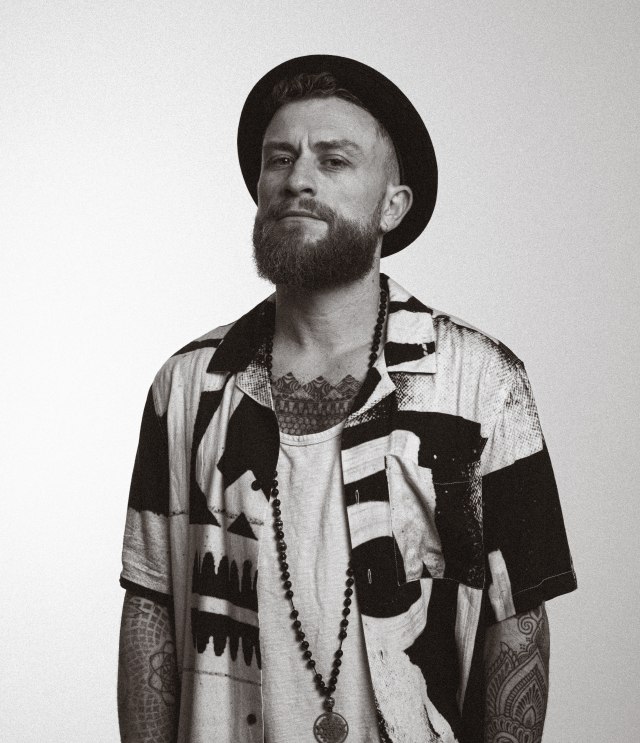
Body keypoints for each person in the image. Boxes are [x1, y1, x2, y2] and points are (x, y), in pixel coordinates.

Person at [117, 55, 576, 743]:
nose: (297, 178)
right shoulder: (187, 386)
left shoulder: (483, 382)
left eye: (333, 161)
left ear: (393, 205)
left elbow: (518, 625)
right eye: (280, 159)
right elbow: (150, 606)